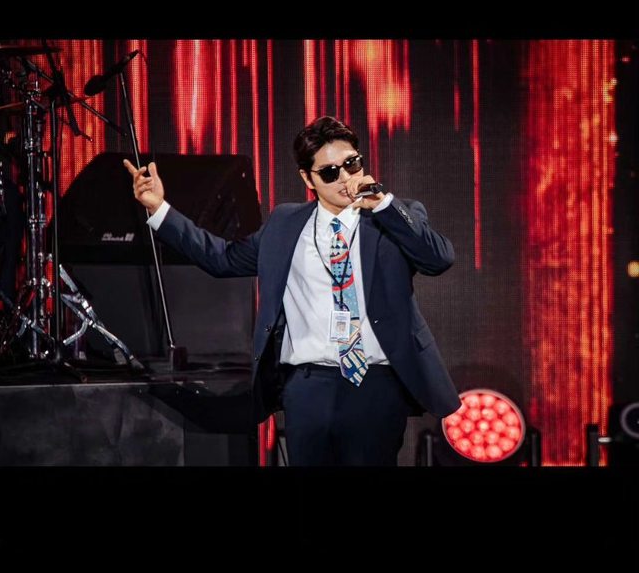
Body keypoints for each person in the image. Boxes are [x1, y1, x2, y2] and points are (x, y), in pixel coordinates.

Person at [124, 116, 460, 466]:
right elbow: (221, 258)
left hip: (375, 384)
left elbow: (438, 259)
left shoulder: (393, 216)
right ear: (308, 178)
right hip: (307, 386)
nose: (345, 178)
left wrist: (385, 206)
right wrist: (158, 208)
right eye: (330, 172)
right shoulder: (285, 223)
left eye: (352, 164)